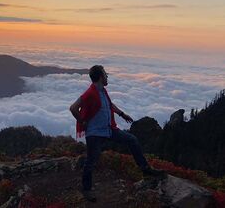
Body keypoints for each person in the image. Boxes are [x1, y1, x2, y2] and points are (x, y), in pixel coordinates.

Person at [69, 65, 165, 202]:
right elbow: (73, 108)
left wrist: (122, 114)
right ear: (101, 77)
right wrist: (82, 122)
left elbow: (109, 105)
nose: (107, 76)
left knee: (132, 140)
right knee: (91, 161)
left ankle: (145, 169)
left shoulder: (102, 91)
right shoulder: (90, 93)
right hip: (95, 133)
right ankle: (86, 189)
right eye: (105, 74)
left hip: (109, 129)